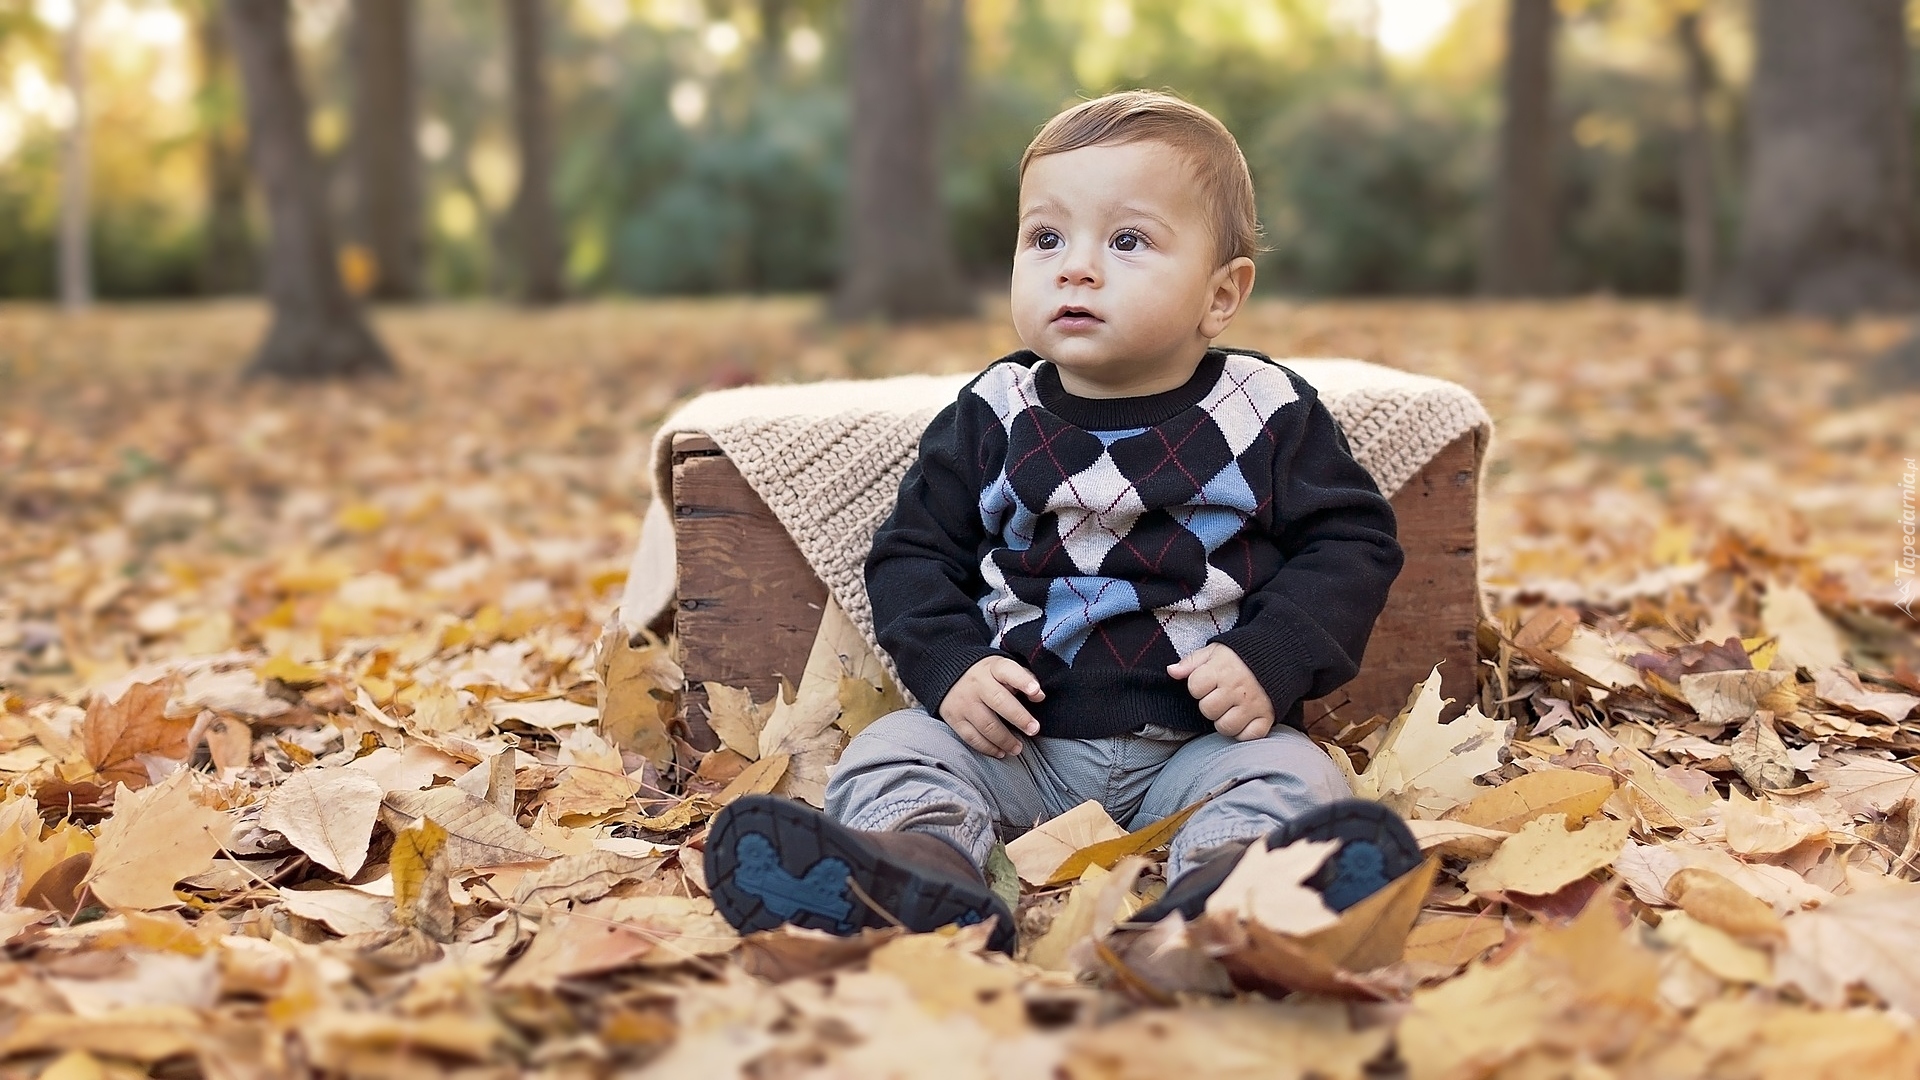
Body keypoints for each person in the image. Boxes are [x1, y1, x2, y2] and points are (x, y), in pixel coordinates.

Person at [705, 90, 1419, 954]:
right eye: (1045, 238)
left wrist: (1269, 657)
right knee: (894, 749)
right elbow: (912, 552)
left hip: (1203, 743)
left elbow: (1352, 542)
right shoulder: (994, 411)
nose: (1075, 267)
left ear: (1221, 295)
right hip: (1021, 745)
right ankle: (923, 870)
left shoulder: (1262, 410)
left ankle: (1230, 889)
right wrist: (953, 666)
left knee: (1294, 777)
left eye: (1127, 241)